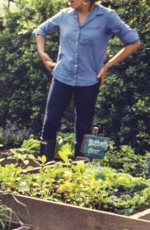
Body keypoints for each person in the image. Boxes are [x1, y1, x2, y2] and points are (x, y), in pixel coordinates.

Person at [34, 0, 140, 161]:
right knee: (51, 121)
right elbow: (41, 31)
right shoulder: (64, 15)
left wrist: (107, 66)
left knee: (84, 126)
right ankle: (42, 168)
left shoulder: (107, 17)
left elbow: (133, 42)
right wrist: (43, 54)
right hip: (62, 76)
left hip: (89, 80)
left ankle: (81, 173)